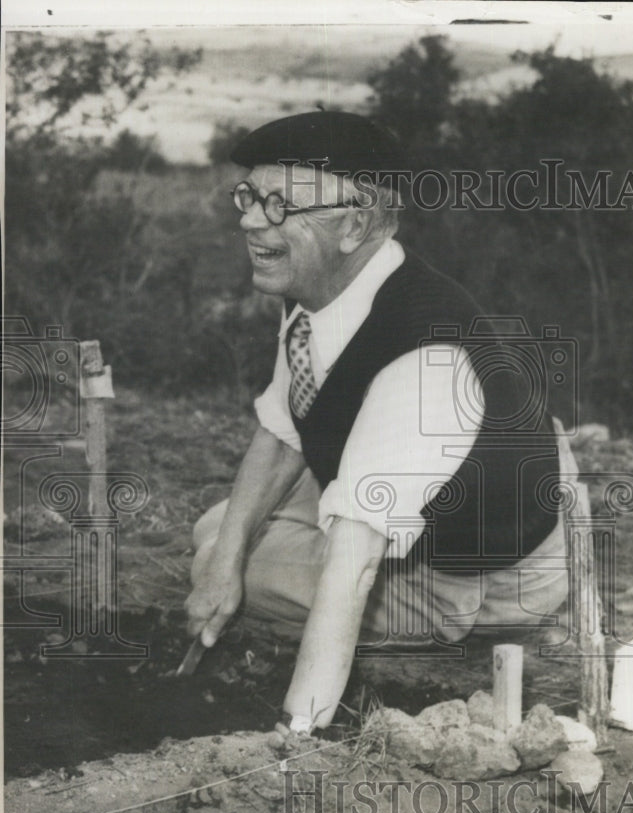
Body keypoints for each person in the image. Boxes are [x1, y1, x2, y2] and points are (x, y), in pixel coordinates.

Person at [185, 111, 572, 736]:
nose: (251, 219)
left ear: (357, 223)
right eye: (250, 196)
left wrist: (296, 735)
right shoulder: (323, 287)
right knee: (220, 537)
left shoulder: (422, 362)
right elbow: (284, 430)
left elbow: (355, 568)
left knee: (212, 552)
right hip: (464, 471)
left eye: (281, 205)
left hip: (482, 574)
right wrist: (229, 557)